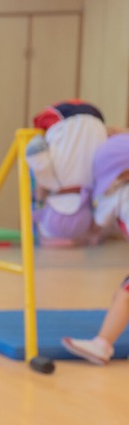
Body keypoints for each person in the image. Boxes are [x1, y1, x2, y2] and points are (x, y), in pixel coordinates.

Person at [62, 133, 129, 364]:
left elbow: (98, 221)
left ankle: (102, 344)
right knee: (123, 295)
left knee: (124, 295)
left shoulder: (118, 196)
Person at [26, 100, 107, 244]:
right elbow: (35, 150)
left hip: (97, 121)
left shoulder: (92, 188)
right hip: (63, 118)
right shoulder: (50, 181)